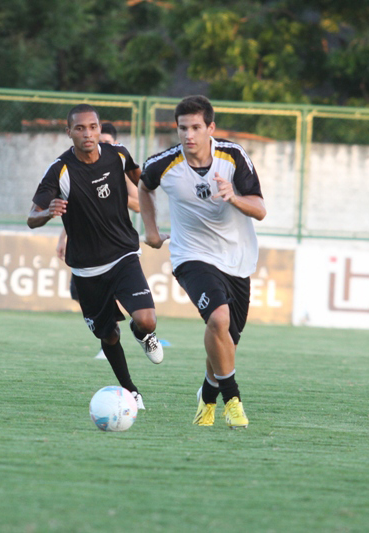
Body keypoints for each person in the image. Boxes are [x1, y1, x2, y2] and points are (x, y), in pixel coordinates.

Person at [139, 95, 266, 429]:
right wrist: (151, 232)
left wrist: (234, 197)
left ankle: (207, 399)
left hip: (237, 259)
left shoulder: (233, 156)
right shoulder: (163, 164)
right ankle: (233, 400)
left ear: (211, 128)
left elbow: (260, 209)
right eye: (183, 128)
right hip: (190, 256)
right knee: (218, 319)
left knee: (227, 341)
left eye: (196, 127)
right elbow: (144, 186)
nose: (189, 135)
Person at [28, 104, 163, 409]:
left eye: (93, 127)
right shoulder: (60, 170)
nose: (87, 134)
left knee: (146, 319)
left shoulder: (118, 154)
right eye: (80, 128)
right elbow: (31, 216)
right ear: (69, 133)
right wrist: (48, 213)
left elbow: (144, 181)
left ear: (100, 129)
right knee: (109, 334)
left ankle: (143, 334)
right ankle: (130, 389)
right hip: (87, 270)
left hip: (124, 254)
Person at [55, 122, 140, 360]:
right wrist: (64, 237)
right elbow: (72, 209)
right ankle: (109, 332)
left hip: (116, 246)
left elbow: (139, 204)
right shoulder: (76, 171)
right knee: (77, 293)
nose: (101, 146)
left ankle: (116, 336)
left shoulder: (120, 172)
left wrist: (113, 194)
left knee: (117, 290)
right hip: (86, 247)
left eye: (107, 143)